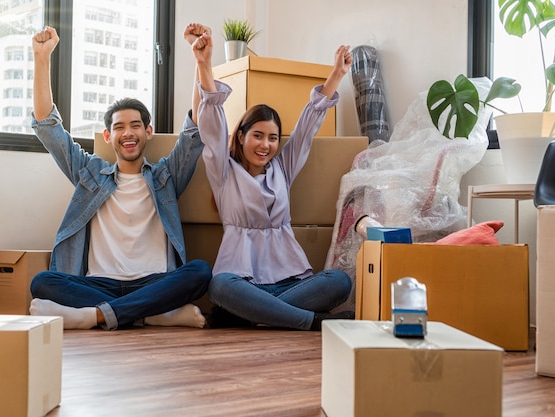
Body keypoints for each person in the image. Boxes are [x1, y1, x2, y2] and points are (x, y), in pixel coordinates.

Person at [28, 25, 212, 330]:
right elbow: (49, 129)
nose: (128, 133)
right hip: (99, 284)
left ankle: (94, 316)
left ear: (148, 132)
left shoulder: (166, 176)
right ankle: (150, 315)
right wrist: (41, 57)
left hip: (155, 283)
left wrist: (200, 62)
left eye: (136, 125)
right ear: (108, 135)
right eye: (119, 127)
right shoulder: (89, 173)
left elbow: (194, 131)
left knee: (200, 271)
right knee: (43, 281)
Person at [189, 25, 354, 331]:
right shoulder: (223, 172)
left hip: (291, 284)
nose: (265, 145)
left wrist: (337, 74)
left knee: (340, 281)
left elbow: (308, 126)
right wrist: (203, 64)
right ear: (240, 137)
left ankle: (255, 316)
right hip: (243, 283)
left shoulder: (283, 169)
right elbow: (210, 125)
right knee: (220, 285)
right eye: (258, 135)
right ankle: (310, 322)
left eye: (273, 138)